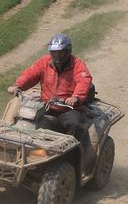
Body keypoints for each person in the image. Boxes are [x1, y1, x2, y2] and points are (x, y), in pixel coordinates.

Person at [7, 33, 97, 172]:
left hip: (68, 109)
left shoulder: (78, 65)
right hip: (46, 105)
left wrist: (76, 97)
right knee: (23, 118)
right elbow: (30, 75)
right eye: (54, 53)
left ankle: (83, 162)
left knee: (76, 125)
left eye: (60, 53)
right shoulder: (44, 62)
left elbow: (83, 81)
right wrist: (18, 86)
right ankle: (17, 152)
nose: (57, 56)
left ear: (68, 51)